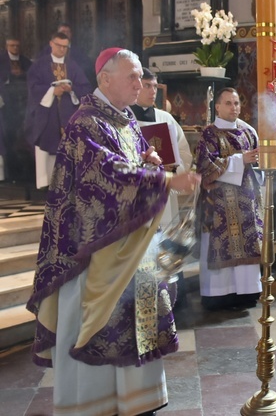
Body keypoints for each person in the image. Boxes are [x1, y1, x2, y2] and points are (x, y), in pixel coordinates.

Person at [25, 47, 201, 416]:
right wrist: (166, 177)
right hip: (96, 250)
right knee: (101, 325)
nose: (141, 84)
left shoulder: (123, 119)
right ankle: (96, 404)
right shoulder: (87, 122)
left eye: (141, 77)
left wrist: (150, 163)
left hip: (131, 248)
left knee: (139, 315)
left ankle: (138, 400)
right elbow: (106, 176)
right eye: (133, 77)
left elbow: (132, 166)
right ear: (106, 78)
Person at [193, 87, 263, 311]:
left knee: (248, 243)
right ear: (218, 107)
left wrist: (257, 163)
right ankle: (218, 295)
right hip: (219, 203)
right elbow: (205, 165)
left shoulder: (248, 132)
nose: (234, 107)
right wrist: (239, 160)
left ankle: (247, 293)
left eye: (237, 103)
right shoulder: (209, 133)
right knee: (219, 243)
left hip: (245, 200)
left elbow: (257, 161)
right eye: (229, 103)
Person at [25, 31, 92, 188]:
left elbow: (85, 87)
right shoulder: (39, 65)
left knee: (68, 150)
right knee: (46, 149)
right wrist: (52, 91)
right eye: (59, 46)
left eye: (65, 47)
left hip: (68, 113)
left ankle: (65, 184)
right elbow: (32, 87)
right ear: (51, 44)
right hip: (47, 114)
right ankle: (45, 184)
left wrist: (71, 89)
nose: (62, 49)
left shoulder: (73, 65)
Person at [131, 67, 193, 229]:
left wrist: (173, 168)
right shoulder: (125, 117)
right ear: (136, 85)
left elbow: (184, 152)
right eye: (147, 86)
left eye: (155, 86)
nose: (153, 91)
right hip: (137, 190)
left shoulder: (166, 118)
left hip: (163, 187)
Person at [0, 37, 33, 182]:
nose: (15, 49)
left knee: (23, 135)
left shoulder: (25, 61)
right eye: (12, 46)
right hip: (7, 105)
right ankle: (11, 173)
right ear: (6, 46)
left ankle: (23, 174)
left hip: (23, 104)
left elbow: (32, 76)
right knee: (8, 136)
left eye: (17, 46)